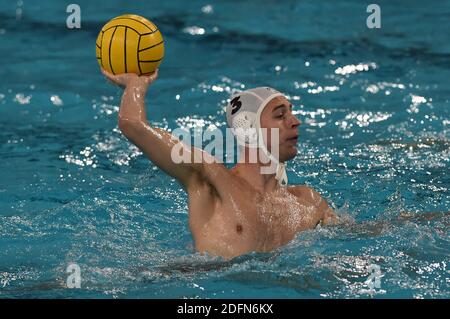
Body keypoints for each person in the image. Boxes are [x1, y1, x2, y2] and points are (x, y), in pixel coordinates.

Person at [101, 68, 338, 260]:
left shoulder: (309, 202)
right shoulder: (210, 180)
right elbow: (132, 124)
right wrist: (136, 84)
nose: (295, 121)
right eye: (280, 115)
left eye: (292, 113)